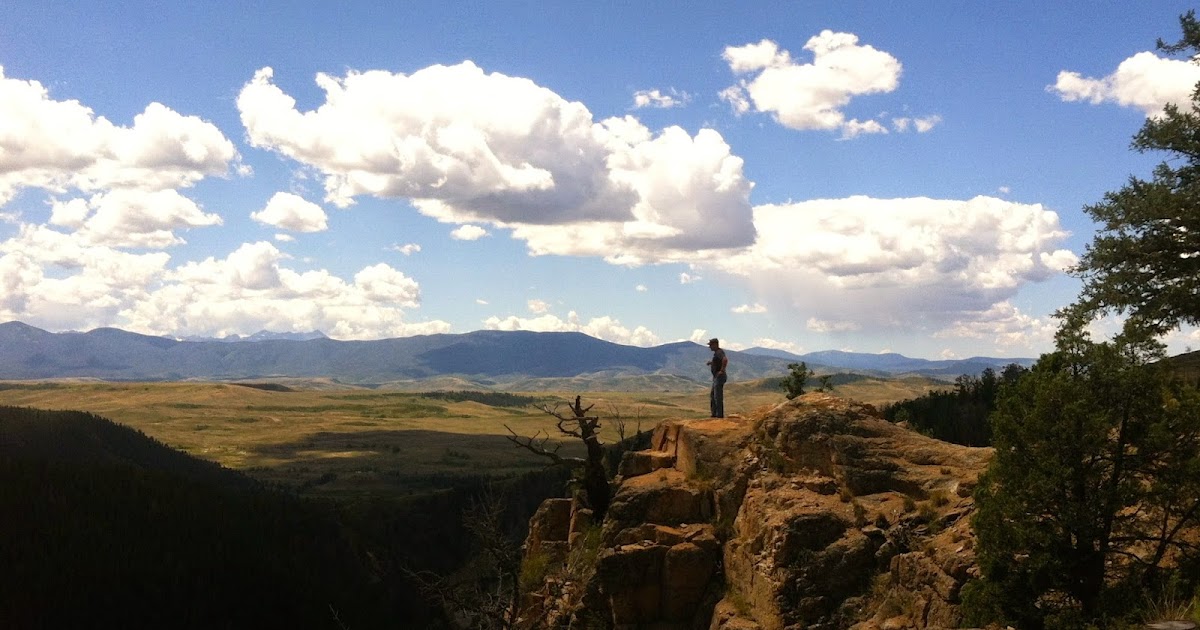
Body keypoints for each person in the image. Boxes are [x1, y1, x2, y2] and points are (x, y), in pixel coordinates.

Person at [706, 338, 728, 418]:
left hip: (719, 377)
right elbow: (718, 361)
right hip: (716, 378)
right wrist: (711, 363)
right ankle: (714, 414)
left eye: (711, 345)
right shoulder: (717, 353)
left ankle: (719, 416)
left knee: (717, 397)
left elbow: (725, 360)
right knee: (713, 395)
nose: (710, 347)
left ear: (715, 344)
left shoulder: (719, 352)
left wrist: (722, 370)